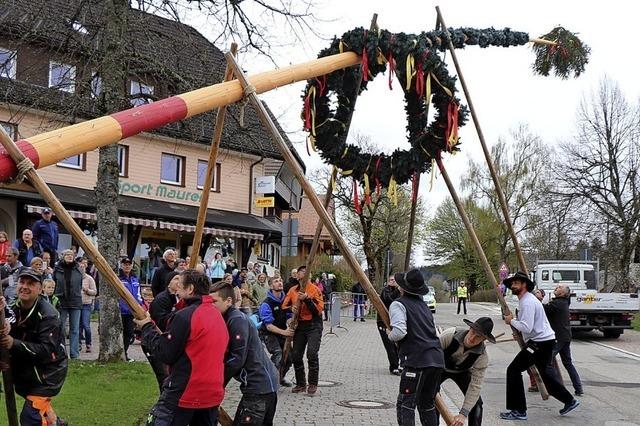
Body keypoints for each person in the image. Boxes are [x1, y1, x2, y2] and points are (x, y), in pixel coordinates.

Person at [136, 270, 229, 425]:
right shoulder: (216, 314)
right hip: (211, 392)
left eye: (180, 283)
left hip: (186, 391)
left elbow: (165, 353)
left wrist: (146, 328)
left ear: (190, 289)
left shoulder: (186, 316)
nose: (176, 287)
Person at [500, 271, 579, 421]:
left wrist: (511, 321)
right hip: (544, 342)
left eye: (516, 283)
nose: (513, 285)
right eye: (512, 283)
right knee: (546, 377)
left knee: (513, 370)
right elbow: (529, 327)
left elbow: (527, 327)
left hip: (539, 344)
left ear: (524, 285)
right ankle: (570, 400)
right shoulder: (526, 300)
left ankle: (519, 410)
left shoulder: (528, 301)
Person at [0, 268, 68, 426]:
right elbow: (5, 331)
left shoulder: (49, 315)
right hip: (27, 373)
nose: (25, 286)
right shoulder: (13, 309)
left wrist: (13, 343)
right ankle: (55, 423)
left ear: (40, 288)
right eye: (22, 282)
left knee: (31, 417)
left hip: (47, 375)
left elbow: (47, 350)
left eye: (30, 284)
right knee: (37, 408)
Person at [211, 281, 280, 425]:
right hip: (264, 384)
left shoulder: (236, 320)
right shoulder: (229, 318)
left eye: (214, 301)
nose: (211, 306)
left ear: (229, 301)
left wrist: (217, 385)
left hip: (259, 386)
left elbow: (236, 359)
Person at [387, 269, 444, 426]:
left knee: (406, 404)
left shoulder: (398, 304)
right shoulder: (424, 306)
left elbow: (399, 332)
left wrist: (389, 334)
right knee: (427, 406)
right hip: (436, 360)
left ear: (402, 287)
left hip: (416, 361)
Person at [437, 317, 495, 426]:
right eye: (472, 332)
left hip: (462, 372)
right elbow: (430, 358)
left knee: (477, 403)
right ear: (469, 328)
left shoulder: (482, 357)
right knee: (431, 395)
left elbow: (475, 386)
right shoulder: (449, 335)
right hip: (439, 368)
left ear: (484, 340)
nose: (472, 338)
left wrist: (463, 414)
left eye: (478, 337)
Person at [282, 265, 324, 395]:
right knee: (296, 355)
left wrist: (307, 299)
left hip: (313, 325)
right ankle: (300, 383)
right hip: (299, 325)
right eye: (302, 271)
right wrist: (291, 309)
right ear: (297, 275)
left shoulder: (315, 289)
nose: (304, 273)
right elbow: (284, 305)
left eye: (307, 272)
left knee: (311, 354)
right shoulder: (293, 290)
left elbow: (318, 310)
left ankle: (312, 383)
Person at [544, 284, 584, 396]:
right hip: (565, 336)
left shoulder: (557, 303)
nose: (556, 287)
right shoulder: (564, 302)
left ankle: (556, 388)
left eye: (559, 287)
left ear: (563, 293)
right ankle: (578, 388)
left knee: (547, 361)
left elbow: (543, 310)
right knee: (568, 363)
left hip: (558, 337)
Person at [145, 271, 181, 391]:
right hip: (156, 339)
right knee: (164, 375)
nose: (179, 282)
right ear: (168, 283)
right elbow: (161, 321)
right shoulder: (161, 299)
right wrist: (178, 314)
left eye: (180, 279)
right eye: (176, 279)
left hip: (169, 342)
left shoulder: (177, 298)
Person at [258, 276, 294, 386]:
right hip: (268, 333)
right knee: (278, 354)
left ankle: (280, 377)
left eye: (281, 280)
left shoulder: (285, 301)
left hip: (281, 332)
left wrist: (290, 322)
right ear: (271, 286)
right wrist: (286, 333)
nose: (280, 283)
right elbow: (269, 326)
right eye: (276, 281)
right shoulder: (266, 304)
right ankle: (269, 380)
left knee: (290, 357)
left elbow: (288, 316)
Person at [53, 249, 83, 359]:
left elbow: (80, 285)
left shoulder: (79, 269)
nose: (70, 256)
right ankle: (61, 353)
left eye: (71, 255)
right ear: (63, 256)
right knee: (60, 328)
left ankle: (74, 355)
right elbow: (54, 284)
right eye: (67, 255)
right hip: (61, 301)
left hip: (75, 301)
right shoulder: (57, 270)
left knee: (74, 329)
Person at [119, 258, 143, 362]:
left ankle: (124, 353)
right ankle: (122, 353)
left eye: (129, 264)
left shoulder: (135, 279)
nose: (127, 266)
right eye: (125, 264)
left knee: (129, 333)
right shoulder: (118, 278)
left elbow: (138, 294)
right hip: (121, 311)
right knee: (122, 333)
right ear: (121, 265)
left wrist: (140, 305)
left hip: (132, 311)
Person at [378, 275, 401, 375]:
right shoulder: (385, 291)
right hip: (383, 321)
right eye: (391, 280)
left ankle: (397, 364)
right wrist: (397, 290)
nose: (392, 281)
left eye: (394, 280)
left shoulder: (400, 292)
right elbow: (389, 300)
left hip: (395, 321)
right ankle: (394, 366)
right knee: (389, 345)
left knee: (397, 346)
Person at [78, 257, 97, 353]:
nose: (81, 269)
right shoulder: (75, 278)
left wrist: (87, 290)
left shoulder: (89, 279)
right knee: (78, 326)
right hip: (77, 305)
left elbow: (95, 292)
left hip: (86, 305)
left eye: (83, 267)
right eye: (79, 267)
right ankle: (78, 344)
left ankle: (88, 343)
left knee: (86, 325)